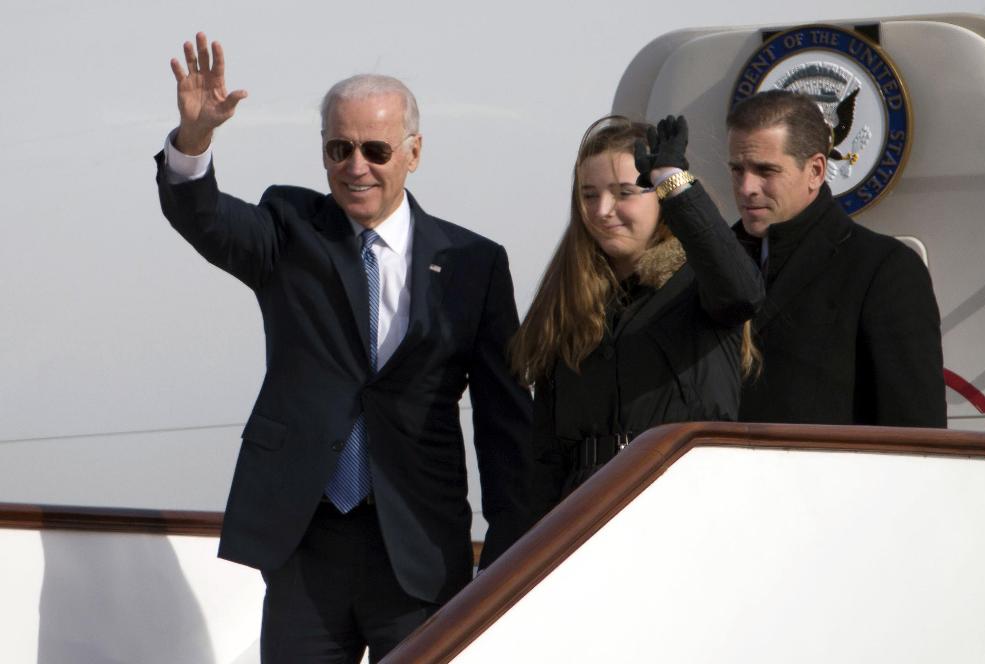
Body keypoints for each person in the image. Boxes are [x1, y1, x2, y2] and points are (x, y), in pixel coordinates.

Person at [155, 33, 535, 661]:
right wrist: (193, 142)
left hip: (419, 546)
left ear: (414, 152)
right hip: (307, 541)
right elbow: (206, 219)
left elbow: (504, 422)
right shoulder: (288, 228)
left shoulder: (474, 263)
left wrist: (508, 553)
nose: (356, 166)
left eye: (376, 149)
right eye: (339, 149)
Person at [511, 115, 764, 501]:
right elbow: (545, 456)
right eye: (589, 194)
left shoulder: (700, 282)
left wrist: (672, 181)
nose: (601, 210)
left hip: (684, 498)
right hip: (586, 510)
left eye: (624, 192)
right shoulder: (567, 299)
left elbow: (744, 292)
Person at [726, 90, 946, 427]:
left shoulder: (882, 269)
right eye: (737, 170)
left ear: (815, 171)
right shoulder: (708, 264)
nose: (746, 187)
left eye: (765, 171)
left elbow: (916, 431)